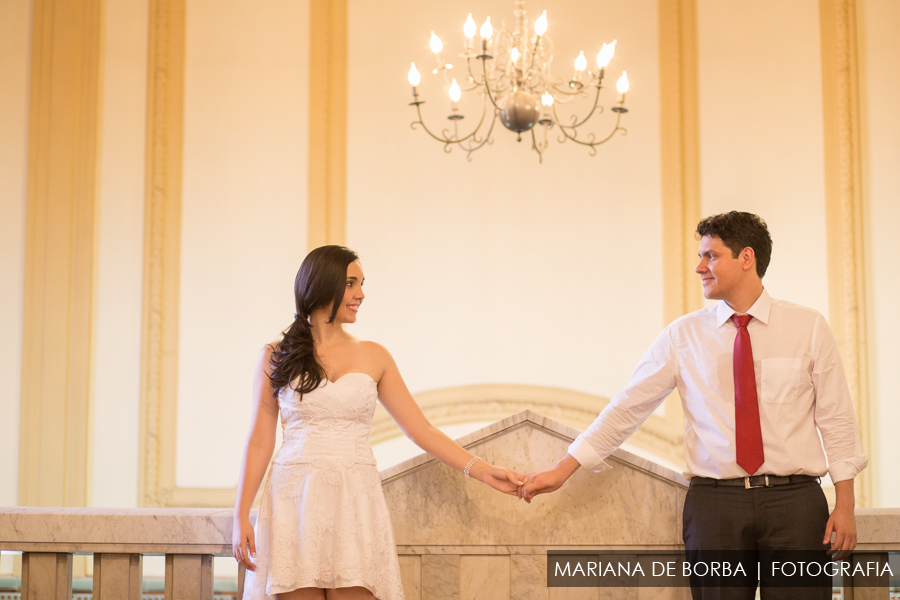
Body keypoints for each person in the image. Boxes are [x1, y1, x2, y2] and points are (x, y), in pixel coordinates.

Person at [518, 211, 868, 599]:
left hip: (795, 504)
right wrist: (562, 469)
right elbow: (627, 406)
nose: (699, 267)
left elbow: (836, 418)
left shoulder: (808, 327)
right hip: (715, 506)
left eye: (711, 256)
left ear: (746, 258)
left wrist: (846, 503)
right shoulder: (682, 336)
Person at [233, 245, 523, 600]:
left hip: (355, 497)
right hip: (294, 498)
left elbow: (422, 430)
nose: (361, 294)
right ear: (323, 285)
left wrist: (484, 471)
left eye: (361, 284)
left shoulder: (375, 355)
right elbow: (260, 441)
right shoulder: (275, 355)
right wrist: (241, 514)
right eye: (352, 284)